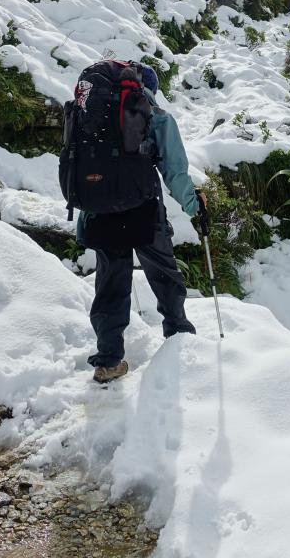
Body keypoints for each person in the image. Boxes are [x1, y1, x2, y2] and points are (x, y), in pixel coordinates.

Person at [74, 64, 206, 384]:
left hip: (100, 212)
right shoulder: (155, 116)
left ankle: (108, 361)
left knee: (110, 286)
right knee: (164, 275)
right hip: (143, 209)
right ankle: (179, 340)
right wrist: (195, 207)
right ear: (147, 89)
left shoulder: (91, 115)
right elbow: (174, 171)